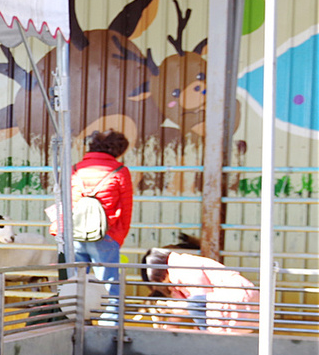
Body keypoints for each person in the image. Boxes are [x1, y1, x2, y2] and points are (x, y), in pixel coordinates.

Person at [64, 130, 133, 324]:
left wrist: (62, 233)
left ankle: (76, 325)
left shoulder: (75, 169)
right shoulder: (120, 171)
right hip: (105, 236)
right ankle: (109, 329)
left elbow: (66, 203)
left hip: (75, 235)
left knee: (75, 284)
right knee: (109, 285)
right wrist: (117, 238)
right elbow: (126, 210)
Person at [140, 249, 258, 332]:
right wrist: (167, 333)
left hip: (239, 300)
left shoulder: (185, 266)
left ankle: (208, 341)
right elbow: (179, 313)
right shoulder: (175, 274)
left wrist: (176, 309)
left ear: (161, 276)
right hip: (238, 306)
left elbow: (199, 303)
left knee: (193, 304)